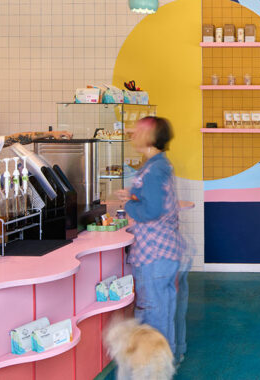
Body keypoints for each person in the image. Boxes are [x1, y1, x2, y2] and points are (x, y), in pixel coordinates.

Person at [117, 116, 185, 357]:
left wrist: (129, 205)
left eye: (138, 130)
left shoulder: (154, 169)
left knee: (154, 314)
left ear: (150, 136)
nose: (133, 133)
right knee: (163, 311)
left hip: (154, 253)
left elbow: (152, 211)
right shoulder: (158, 165)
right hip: (165, 252)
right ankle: (167, 360)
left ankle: (154, 367)